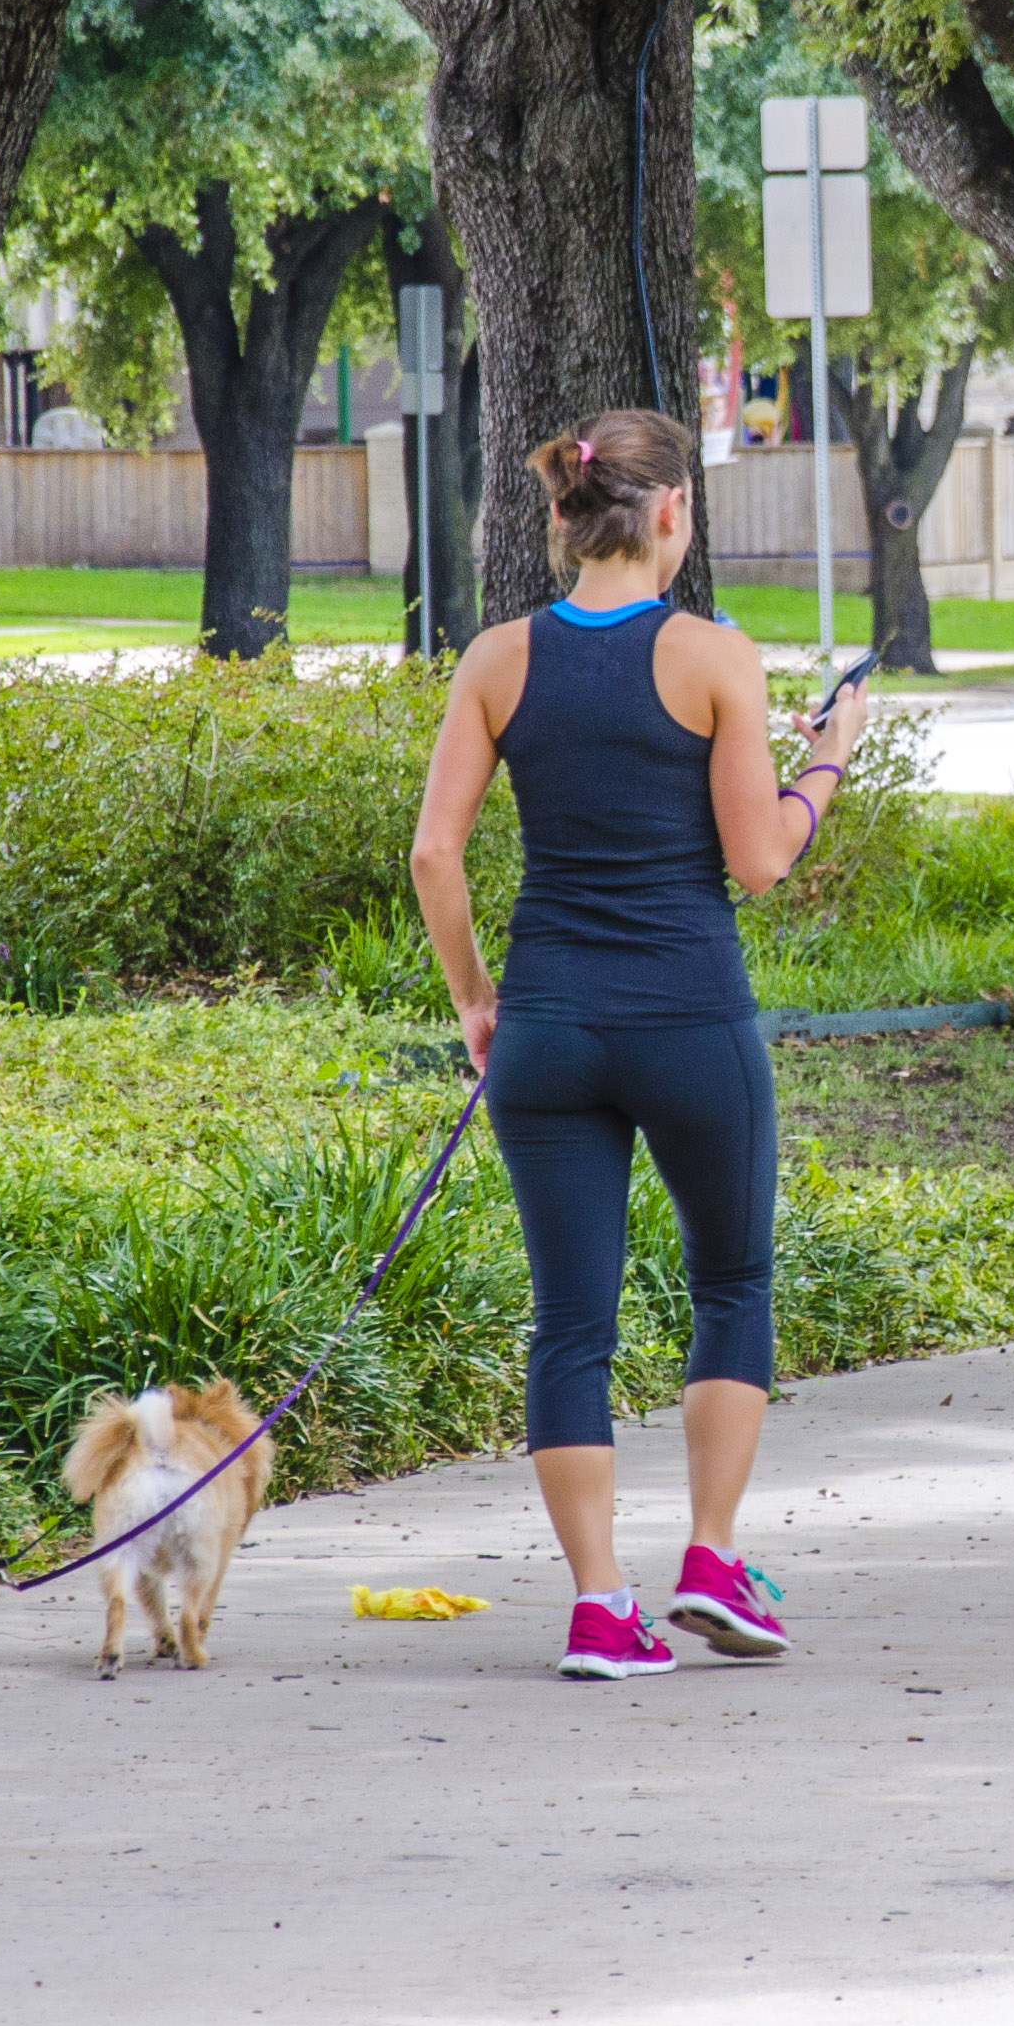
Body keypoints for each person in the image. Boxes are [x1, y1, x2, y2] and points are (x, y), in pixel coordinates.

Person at [406, 409, 872, 1682]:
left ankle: (601, 1609)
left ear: (566, 516)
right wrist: (827, 760)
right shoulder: (716, 657)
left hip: (547, 1027)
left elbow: (433, 853)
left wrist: (475, 1001)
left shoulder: (498, 658)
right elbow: (759, 861)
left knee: (570, 1323)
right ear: (669, 513)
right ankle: (711, 1560)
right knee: (730, 1285)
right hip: (687, 1021)